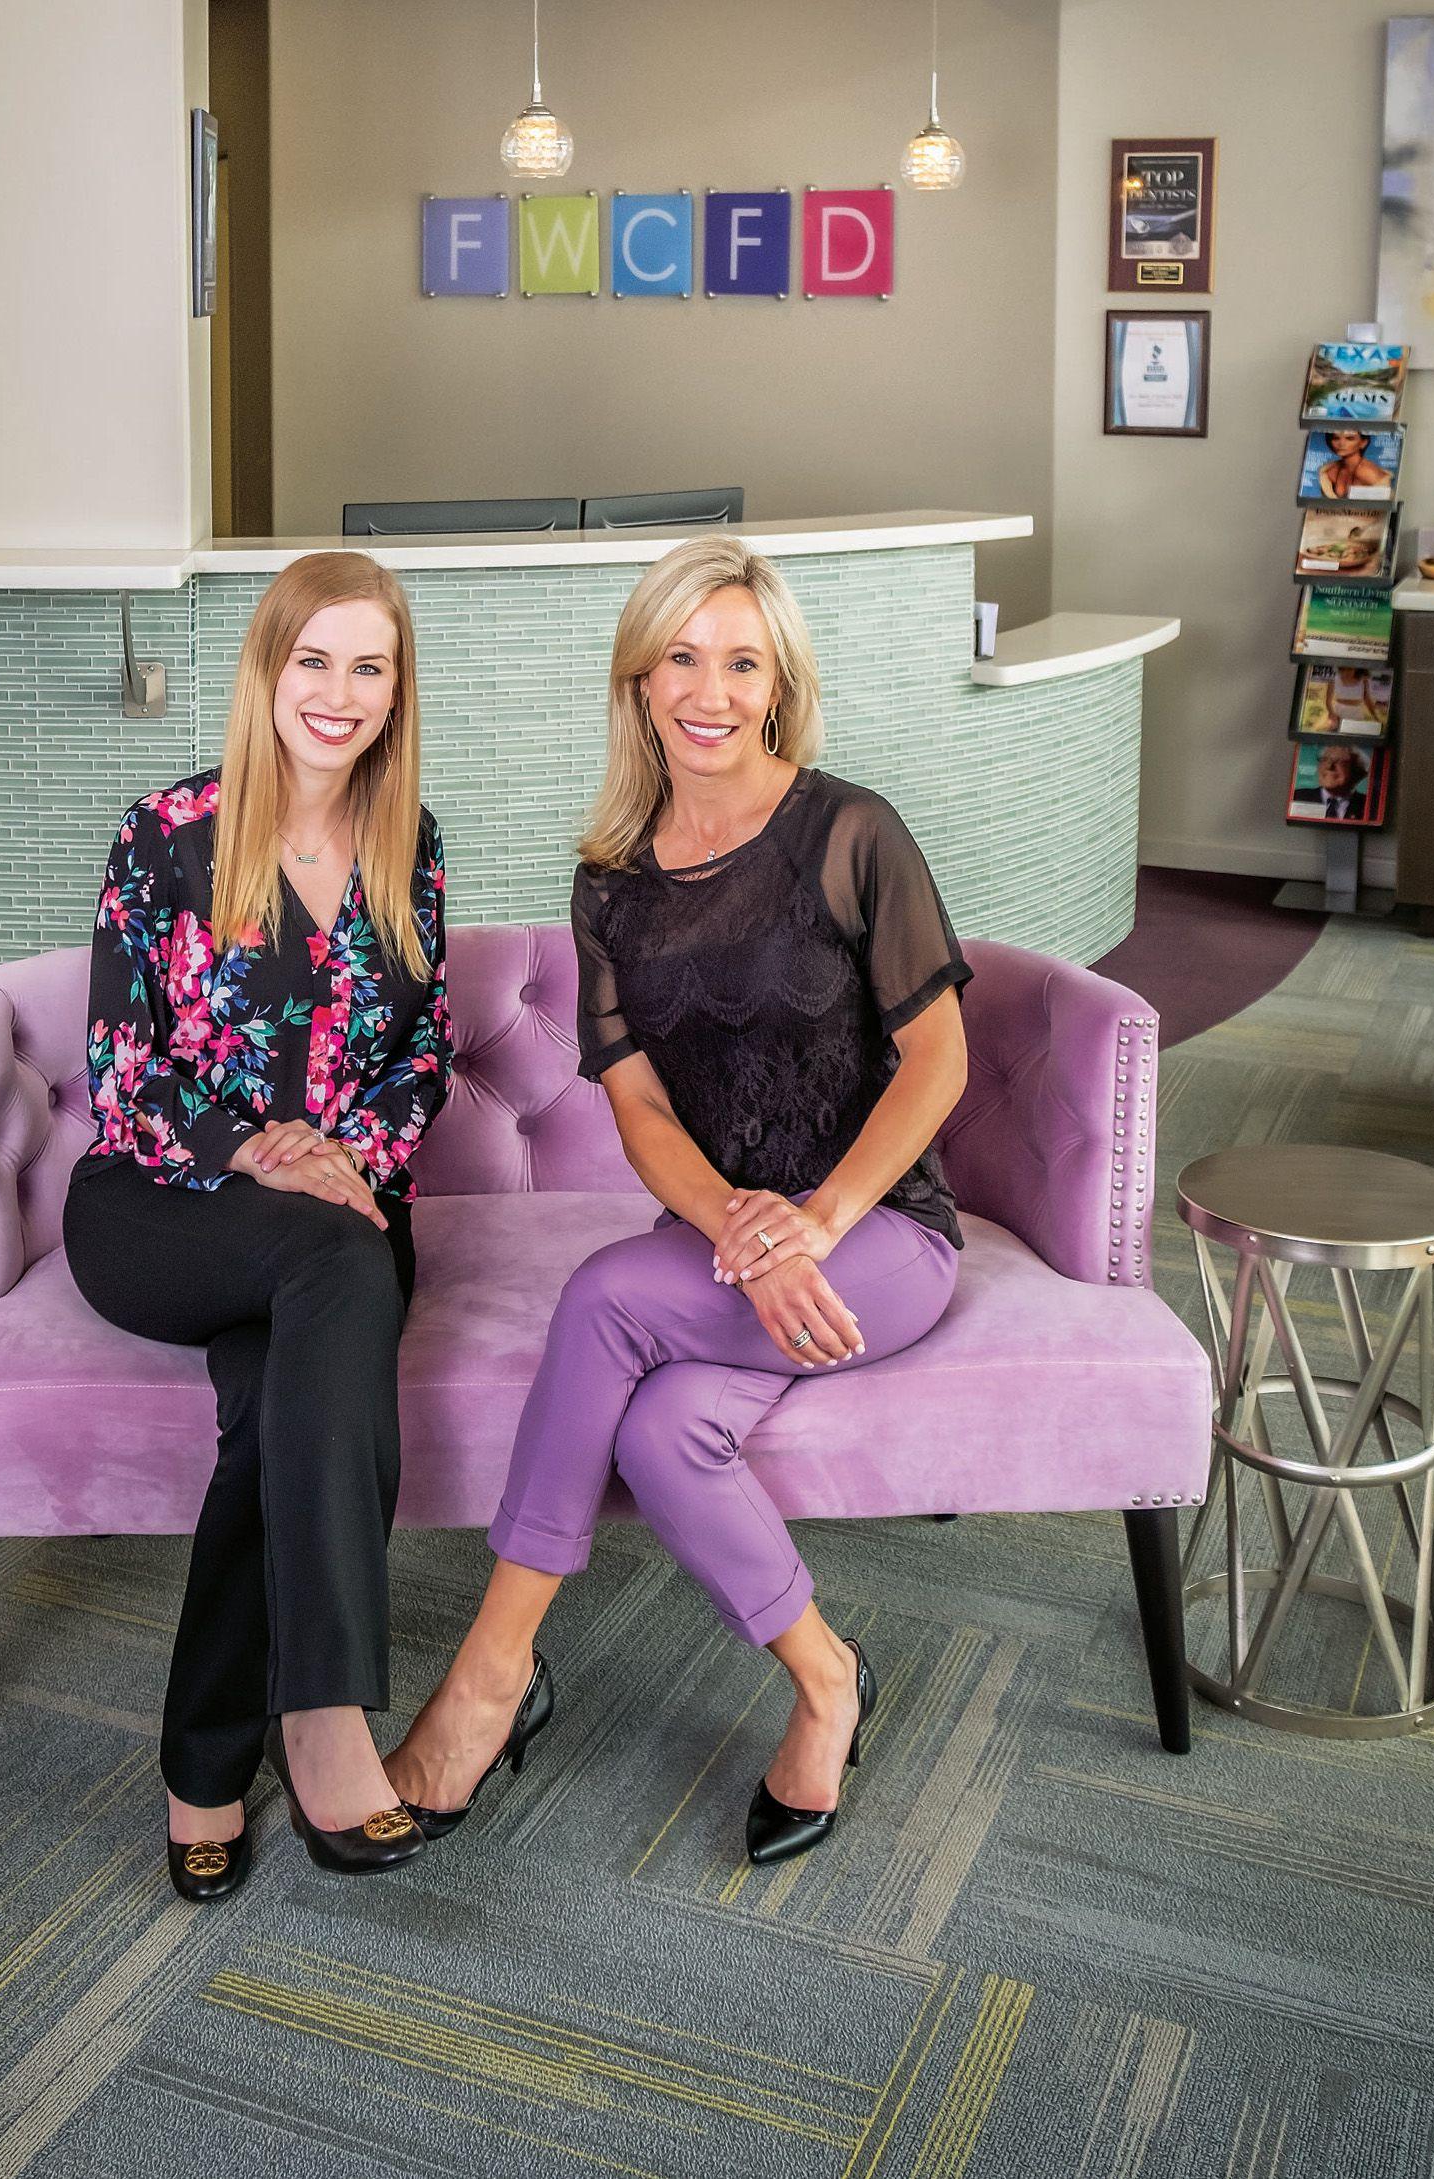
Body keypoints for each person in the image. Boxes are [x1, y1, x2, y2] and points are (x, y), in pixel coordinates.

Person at [386, 536, 971, 1868]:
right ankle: (828, 1678)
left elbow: (939, 1059)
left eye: (742, 663)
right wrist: (732, 1227)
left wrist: (812, 1221)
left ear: (779, 685)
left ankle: (489, 1676)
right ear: (640, 681)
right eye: (682, 659)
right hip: (714, 1241)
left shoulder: (851, 831)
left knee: (601, 1300)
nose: (711, 692)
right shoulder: (611, 881)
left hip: (879, 1230)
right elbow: (642, 1110)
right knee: (661, 1436)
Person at [62, 550, 451, 1898]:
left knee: (273, 1400)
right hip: (164, 1207)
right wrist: (253, 1150)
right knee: (342, 1253)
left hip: (341, 1208)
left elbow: (423, 1055)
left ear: (396, 689)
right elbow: (121, 1069)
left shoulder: (410, 840)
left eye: (369, 666)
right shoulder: (166, 832)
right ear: (267, 672)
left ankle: (207, 1756)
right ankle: (327, 1722)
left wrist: (347, 1156)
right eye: (313, 660)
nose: (338, 692)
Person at [1291, 740, 1370, 822]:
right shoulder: (1297, 797)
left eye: (1339, 761)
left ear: (1358, 772)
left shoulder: (1369, 806)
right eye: (1325, 759)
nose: (1329, 766)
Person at [1316, 429, 1392, 500]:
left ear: (1363, 443)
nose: (1341, 444)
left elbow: (1385, 502)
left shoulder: (1368, 472)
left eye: (1350, 438)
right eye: (1336, 438)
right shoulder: (1329, 471)